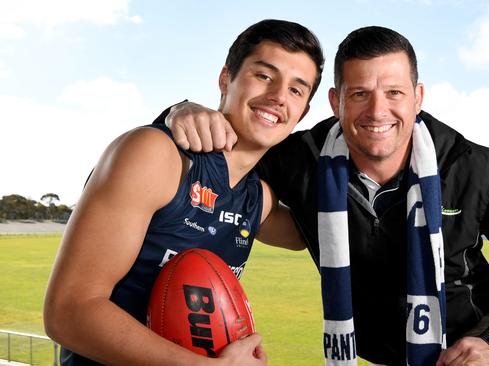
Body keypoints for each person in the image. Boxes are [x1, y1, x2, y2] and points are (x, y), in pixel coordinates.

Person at [163, 26, 489, 366]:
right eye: (359, 94)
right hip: (365, 352)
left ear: (418, 98)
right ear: (335, 102)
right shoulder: (300, 159)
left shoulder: (471, 167)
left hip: (459, 354)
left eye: (394, 92)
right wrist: (178, 111)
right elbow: (221, 155)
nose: (378, 112)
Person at [43, 19, 324, 366]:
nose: (278, 97)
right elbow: (68, 312)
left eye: (296, 90)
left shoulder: (259, 198)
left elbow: (310, 233)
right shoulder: (155, 155)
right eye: (264, 76)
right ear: (226, 79)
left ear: (304, 112)